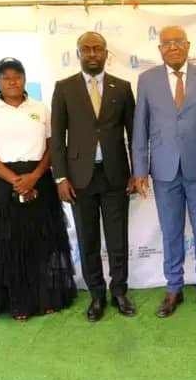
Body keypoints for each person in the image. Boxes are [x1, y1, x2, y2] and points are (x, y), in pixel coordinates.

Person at [0, 58, 77, 321]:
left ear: (24, 79)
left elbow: (53, 147)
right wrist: (16, 181)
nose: (12, 82)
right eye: (5, 77)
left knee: (42, 242)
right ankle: (17, 302)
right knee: (9, 243)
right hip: (2, 182)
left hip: (39, 179)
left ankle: (46, 298)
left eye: (17, 76)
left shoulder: (40, 108)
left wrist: (34, 177)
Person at [132, 25, 196, 318]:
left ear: (188, 45)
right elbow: (140, 128)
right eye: (167, 42)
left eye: (178, 41)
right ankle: (174, 288)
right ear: (159, 49)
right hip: (164, 170)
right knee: (170, 231)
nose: (173, 46)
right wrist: (140, 169)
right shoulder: (147, 80)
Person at [50, 31, 137, 322]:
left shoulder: (122, 88)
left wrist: (137, 171)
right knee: (88, 240)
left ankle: (120, 291)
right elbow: (57, 138)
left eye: (97, 49)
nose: (92, 54)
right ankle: (97, 295)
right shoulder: (64, 88)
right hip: (79, 178)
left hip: (115, 175)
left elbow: (134, 134)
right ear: (78, 54)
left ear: (106, 53)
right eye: (86, 49)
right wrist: (61, 178)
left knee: (117, 238)